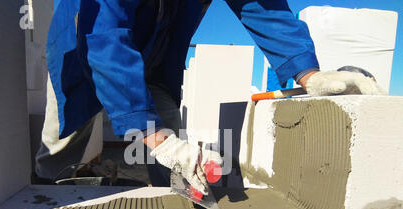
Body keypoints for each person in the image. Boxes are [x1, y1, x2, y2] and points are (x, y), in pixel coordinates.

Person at [35, 0, 384, 194]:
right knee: (63, 143)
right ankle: (44, 197)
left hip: (155, 57)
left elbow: (261, 6)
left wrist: (308, 74)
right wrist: (156, 139)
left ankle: (174, 201)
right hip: (81, 47)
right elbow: (103, 36)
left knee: (173, 156)